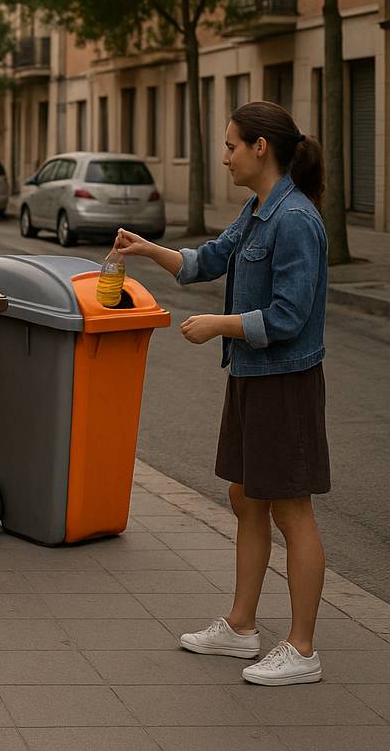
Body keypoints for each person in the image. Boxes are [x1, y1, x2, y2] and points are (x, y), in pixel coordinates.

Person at [115, 100, 329, 686]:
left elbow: (289, 316)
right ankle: (240, 627)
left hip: (285, 382)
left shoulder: (295, 221)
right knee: (245, 496)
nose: (226, 155)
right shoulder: (258, 210)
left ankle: (302, 648)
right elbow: (206, 261)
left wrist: (219, 325)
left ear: (262, 147)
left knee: (292, 508)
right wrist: (145, 248)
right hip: (252, 380)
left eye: (232, 144)